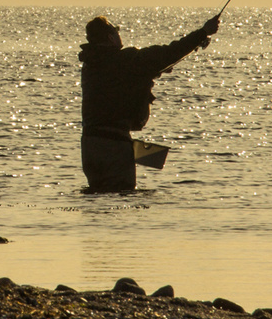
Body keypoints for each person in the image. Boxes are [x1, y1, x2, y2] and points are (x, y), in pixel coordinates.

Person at [79, 13, 220, 193]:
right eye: (116, 31)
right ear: (110, 37)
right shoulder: (127, 60)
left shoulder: (91, 64)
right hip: (115, 148)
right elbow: (167, 53)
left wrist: (151, 71)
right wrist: (203, 32)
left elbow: (121, 79)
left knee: (97, 200)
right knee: (121, 200)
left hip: (90, 147)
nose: (119, 34)